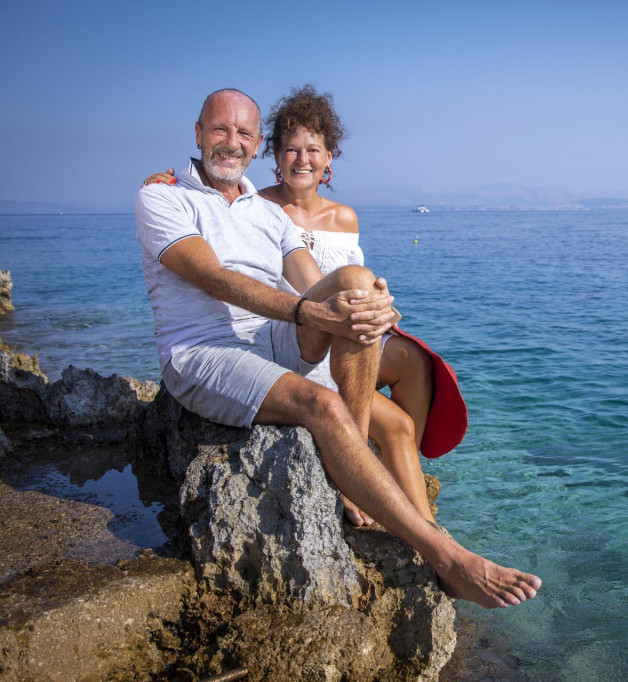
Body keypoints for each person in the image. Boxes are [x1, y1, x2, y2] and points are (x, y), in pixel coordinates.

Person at [135, 88, 540, 609]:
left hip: (272, 337)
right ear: (197, 133)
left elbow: (314, 282)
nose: (230, 143)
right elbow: (212, 278)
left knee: (354, 278)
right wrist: (313, 313)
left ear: (256, 143)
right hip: (204, 351)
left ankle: (351, 469)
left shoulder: (266, 213)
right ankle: (449, 558)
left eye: (242, 134)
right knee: (321, 405)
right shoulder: (162, 196)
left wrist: (369, 302)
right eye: (219, 130)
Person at [144, 86, 462, 527]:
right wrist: (322, 313)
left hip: (315, 331)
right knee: (397, 426)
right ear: (271, 154)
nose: (302, 158)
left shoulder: (324, 216)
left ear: (329, 157)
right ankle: (374, 483)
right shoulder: (242, 201)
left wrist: (375, 305)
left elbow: (324, 286)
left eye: (313, 149)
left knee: (410, 355)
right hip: (288, 333)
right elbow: (218, 276)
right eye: (290, 149)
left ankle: (383, 479)